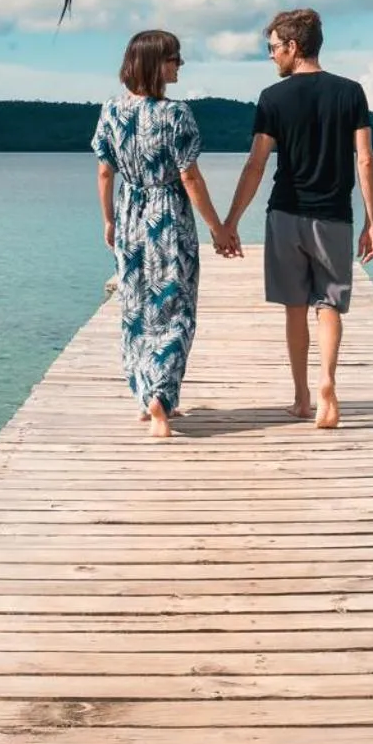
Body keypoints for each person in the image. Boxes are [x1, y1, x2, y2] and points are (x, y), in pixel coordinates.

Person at [222, 8, 373, 429]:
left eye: (273, 48)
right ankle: (328, 382)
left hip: (286, 214)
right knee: (329, 305)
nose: (271, 56)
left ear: (293, 46)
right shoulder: (351, 93)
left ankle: (302, 398)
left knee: (294, 307)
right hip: (334, 216)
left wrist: (231, 220)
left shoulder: (273, 99)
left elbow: (256, 164)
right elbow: (364, 160)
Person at [92, 30, 238, 438]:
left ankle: (144, 394)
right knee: (176, 309)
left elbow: (105, 171)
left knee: (136, 307)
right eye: (174, 58)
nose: (180, 65)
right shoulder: (176, 115)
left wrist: (108, 220)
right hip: (168, 214)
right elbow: (189, 177)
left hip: (129, 214)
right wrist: (219, 228)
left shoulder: (110, 112)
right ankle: (160, 397)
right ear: (155, 63)